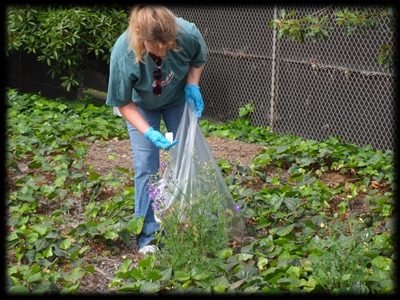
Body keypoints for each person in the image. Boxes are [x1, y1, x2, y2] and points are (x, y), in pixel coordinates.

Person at [106, 4, 207, 254]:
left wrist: (192, 86)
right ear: (140, 34)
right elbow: (122, 102)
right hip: (141, 107)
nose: (163, 52)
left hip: (176, 100)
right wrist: (148, 132)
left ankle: (189, 221)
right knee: (146, 165)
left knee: (188, 156)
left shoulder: (187, 33)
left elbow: (197, 59)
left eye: (168, 46)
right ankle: (148, 236)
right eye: (156, 48)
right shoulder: (122, 52)